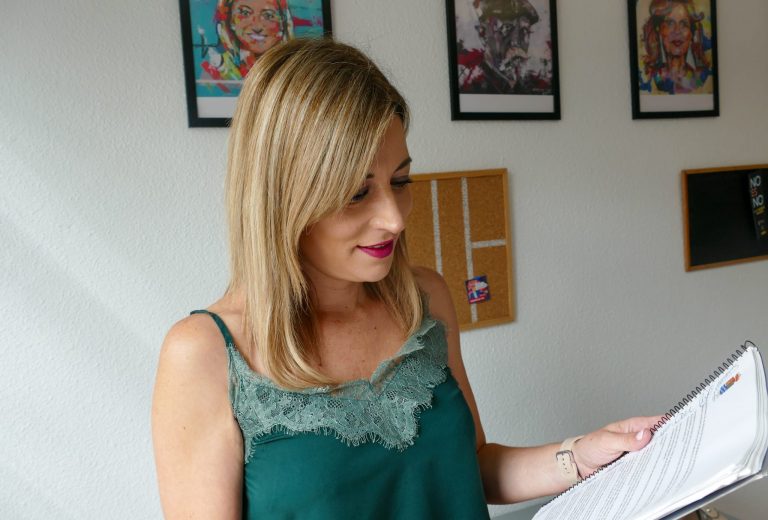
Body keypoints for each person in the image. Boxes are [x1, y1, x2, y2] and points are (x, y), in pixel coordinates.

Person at [152, 38, 659, 518]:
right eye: (357, 193)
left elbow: (470, 467)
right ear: (282, 199)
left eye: (400, 181)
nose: (394, 219)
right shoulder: (204, 353)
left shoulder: (425, 299)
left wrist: (581, 455)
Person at [458, 0, 551, 95]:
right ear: (483, 35)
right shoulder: (472, 86)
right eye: (507, 28)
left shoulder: (532, 87)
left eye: (524, 31)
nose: (516, 42)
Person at [201, 0, 294, 83]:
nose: (257, 27)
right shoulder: (215, 72)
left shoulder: (292, 72)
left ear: (283, 23)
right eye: (245, 13)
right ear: (230, 19)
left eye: (268, 15)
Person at [640, 0, 713, 94]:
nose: (677, 31)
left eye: (684, 24)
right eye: (670, 23)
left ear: (691, 33)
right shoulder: (652, 77)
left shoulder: (700, 79)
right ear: (659, 30)